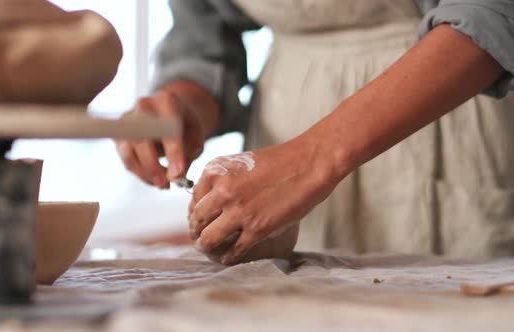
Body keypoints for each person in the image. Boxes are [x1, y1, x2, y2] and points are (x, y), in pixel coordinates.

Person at [116, 0, 514, 265]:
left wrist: (312, 160)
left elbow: (493, 11)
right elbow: (204, 36)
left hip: (447, 106)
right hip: (285, 115)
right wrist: (183, 104)